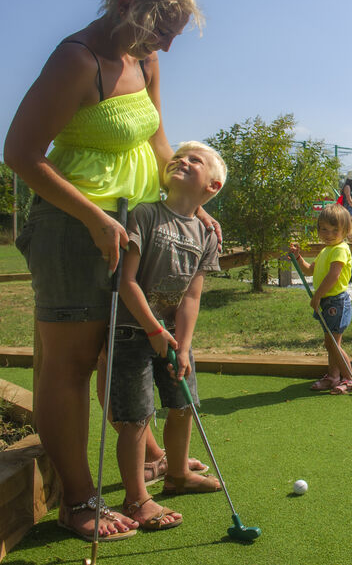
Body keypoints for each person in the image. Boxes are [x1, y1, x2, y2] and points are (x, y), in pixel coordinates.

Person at [4, 0, 211, 542]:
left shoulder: (144, 64)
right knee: (69, 365)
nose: (166, 46)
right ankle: (78, 499)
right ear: (126, 4)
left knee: (119, 353)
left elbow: (160, 147)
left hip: (136, 229)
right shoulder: (76, 60)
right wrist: (94, 217)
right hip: (72, 229)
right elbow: (21, 155)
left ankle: (146, 460)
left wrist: (195, 209)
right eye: (161, 30)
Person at [111, 141, 226, 530]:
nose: (182, 160)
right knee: (136, 418)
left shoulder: (206, 233)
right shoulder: (144, 215)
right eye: (179, 156)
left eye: (196, 160)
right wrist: (153, 329)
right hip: (132, 331)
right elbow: (126, 282)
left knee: (182, 406)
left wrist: (185, 344)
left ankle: (176, 474)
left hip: (174, 337)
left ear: (213, 187)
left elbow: (192, 295)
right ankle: (136, 499)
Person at [289, 204, 352, 394]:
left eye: (335, 230)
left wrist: (317, 295)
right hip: (328, 302)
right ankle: (334, 377)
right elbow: (311, 270)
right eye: (324, 229)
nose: (329, 234)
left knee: (333, 343)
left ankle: (349, 379)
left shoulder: (340, 249)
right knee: (330, 343)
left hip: (336, 302)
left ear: (346, 231)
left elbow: (334, 276)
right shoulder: (327, 250)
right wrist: (298, 258)